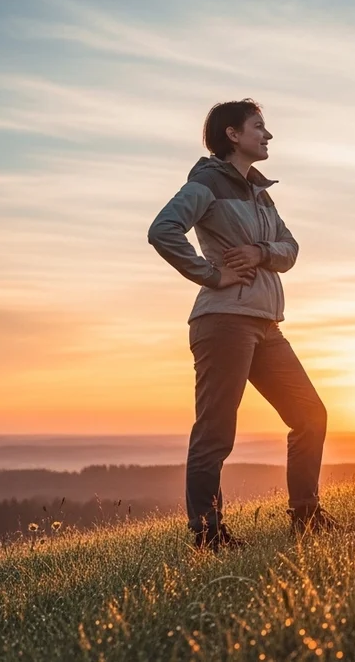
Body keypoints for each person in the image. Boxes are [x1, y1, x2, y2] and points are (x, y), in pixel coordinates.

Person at [148, 99, 338, 550]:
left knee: (310, 414)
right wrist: (212, 274)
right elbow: (163, 230)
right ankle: (208, 534)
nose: (268, 135)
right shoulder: (207, 182)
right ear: (233, 134)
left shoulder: (260, 192)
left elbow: (289, 248)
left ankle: (306, 517)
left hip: (266, 325)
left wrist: (259, 253)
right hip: (223, 322)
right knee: (216, 432)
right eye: (259, 127)